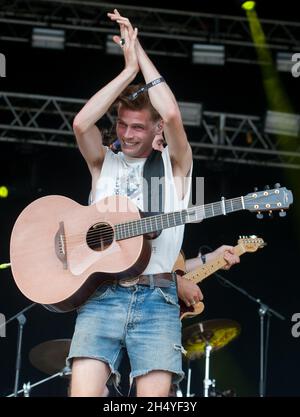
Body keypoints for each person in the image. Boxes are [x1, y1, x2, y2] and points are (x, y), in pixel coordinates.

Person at [68, 9, 239, 397]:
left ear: (157, 127)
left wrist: (139, 52)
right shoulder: (103, 161)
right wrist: (128, 71)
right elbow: (80, 124)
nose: (127, 135)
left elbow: (174, 112)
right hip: (101, 296)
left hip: (158, 299)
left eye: (138, 127)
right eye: (122, 125)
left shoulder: (174, 166)